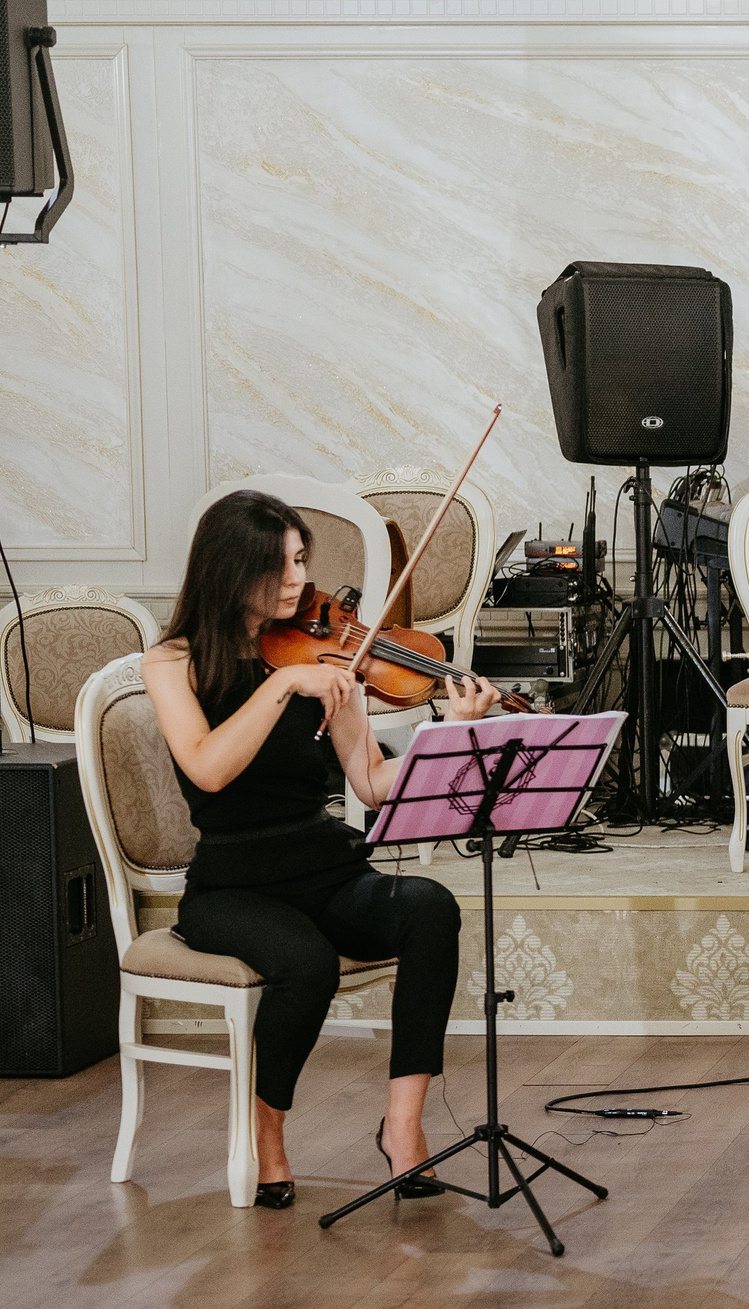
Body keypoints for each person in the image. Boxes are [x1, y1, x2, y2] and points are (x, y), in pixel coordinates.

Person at [142, 489, 499, 1209]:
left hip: (325, 866)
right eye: (276, 567)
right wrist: (285, 687)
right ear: (227, 571)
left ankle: (403, 1126)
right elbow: (208, 766)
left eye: (301, 560)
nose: (299, 581)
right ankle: (267, 1130)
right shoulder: (172, 662)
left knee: (429, 908)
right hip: (232, 886)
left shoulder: (327, 650)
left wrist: (454, 735)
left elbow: (371, 780)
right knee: (303, 961)